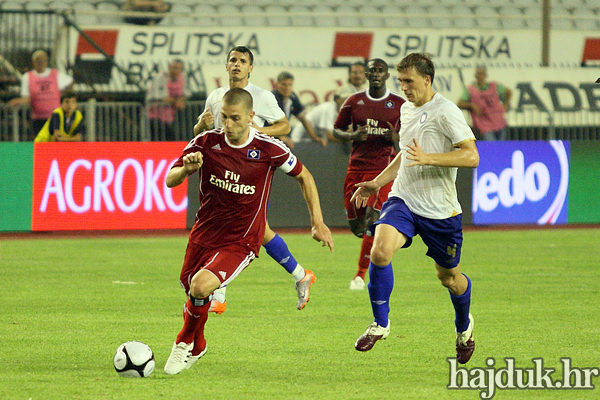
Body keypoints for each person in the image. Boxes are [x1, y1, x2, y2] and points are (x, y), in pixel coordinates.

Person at [163, 87, 334, 375]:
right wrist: (186, 171)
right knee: (194, 294)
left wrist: (317, 221)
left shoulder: (269, 149)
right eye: (225, 118)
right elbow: (170, 179)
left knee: (201, 286)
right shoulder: (205, 141)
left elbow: (304, 175)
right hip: (204, 234)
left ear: (251, 116)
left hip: (241, 240)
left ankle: (182, 343)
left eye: (235, 118)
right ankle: (200, 343)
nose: (228, 125)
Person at [351, 53, 479, 365]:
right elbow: (405, 156)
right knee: (380, 251)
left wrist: (430, 158)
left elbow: (471, 156)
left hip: (440, 211)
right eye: (401, 82)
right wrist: (376, 183)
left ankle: (464, 327)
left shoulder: (447, 111)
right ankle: (380, 324)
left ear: (427, 79)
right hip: (404, 199)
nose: (404, 88)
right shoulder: (407, 109)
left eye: (409, 82)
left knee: (449, 278)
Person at [193, 46, 316, 314]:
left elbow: (284, 126)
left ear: (251, 68)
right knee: (259, 231)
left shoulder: (262, 97)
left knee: (237, 227)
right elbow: (201, 131)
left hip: (250, 170)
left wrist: (259, 130)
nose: (237, 64)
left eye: (242, 61)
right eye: (233, 60)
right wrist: (201, 126)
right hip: (219, 171)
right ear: (226, 66)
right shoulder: (215, 96)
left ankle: (219, 294)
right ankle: (300, 275)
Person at [333, 58, 405, 290]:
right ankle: (374, 258)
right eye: (372, 70)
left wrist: (394, 139)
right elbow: (337, 130)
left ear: (386, 75)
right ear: (366, 74)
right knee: (357, 227)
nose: (375, 74)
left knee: (375, 220)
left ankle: (361, 275)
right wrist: (352, 136)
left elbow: (408, 138)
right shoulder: (354, 101)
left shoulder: (399, 104)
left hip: (383, 171)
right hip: (356, 169)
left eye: (380, 70)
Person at [8, 50, 74, 141]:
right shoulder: (27, 77)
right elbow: (27, 98)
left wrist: (62, 95)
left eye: (43, 60)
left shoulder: (55, 74)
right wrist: (16, 101)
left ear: (47, 61)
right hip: (38, 118)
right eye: (37, 60)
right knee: (41, 143)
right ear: (33, 62)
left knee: (56, 142)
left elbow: (70, 81)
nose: (40, 62)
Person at [272, 71, 326, 148]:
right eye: (284, 84)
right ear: (277, 85)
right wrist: (281, 137)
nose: (286, 88)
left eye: (289, 85)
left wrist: (314, 137)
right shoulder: (271, 98)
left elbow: (302, 118)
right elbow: (267, 122)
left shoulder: (292, 97)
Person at [457, 66, 512, 141]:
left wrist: (505, 105)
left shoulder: (494, 86)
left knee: (501, 146)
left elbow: (508, 92)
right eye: (479, 74)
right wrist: (472, 105)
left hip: (499, 121)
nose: (480, 76)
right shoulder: (471, 90)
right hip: (484, 124)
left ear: (485, 75)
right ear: (475, 76)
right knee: (491, 145)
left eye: (482, 74)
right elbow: (460, 103)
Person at [145, 59, 190, 141]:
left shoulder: (182, 78)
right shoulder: (160, 77)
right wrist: (176, 101)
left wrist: (181, 100)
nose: (174, 70)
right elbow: (160, 96)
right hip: (155, 115)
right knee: (157, 139)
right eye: (173, 67)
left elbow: (186, 93)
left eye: (177, 68)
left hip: (171, 116)